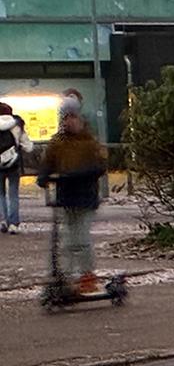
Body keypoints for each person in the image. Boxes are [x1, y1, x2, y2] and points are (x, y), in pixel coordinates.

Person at [40, 96, 106, 293]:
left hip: (85, 197)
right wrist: (44, 177)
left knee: (81, 239)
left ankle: (87, 276)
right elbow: (48, 163)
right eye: (66, 118)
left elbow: (99, 166)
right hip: (66, 197)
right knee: (67, 241)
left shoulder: (89, 142)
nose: (69, 121)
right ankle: (66, 277)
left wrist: (76, 176)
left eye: (72, 117)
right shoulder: (57, 143)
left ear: (79, 118)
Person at [0, 102, 28, 233]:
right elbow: (28, 146)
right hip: (13, 164)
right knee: (13, 194)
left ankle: (3, 221)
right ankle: (14, 224)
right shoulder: (16, 125)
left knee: (0, 194)